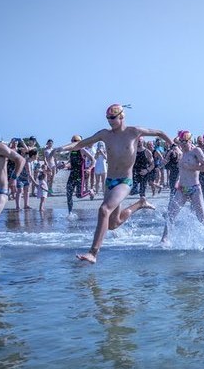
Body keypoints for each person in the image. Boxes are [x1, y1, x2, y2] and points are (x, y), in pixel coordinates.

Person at [54, 104, 172, 263]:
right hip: (110, 181)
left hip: (125, 181)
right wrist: (61, 149)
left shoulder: (134, 132)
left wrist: (174, 145)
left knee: (104, 210)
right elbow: (82, 144)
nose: (110, 121)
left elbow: (160, 133)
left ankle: (93, 253)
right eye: (108, 118)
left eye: (112, 118)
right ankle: (140, 204)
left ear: (122, 116)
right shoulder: (105, 134)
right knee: (113, 224)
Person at [161, 130, 204, 244]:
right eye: (181, 142)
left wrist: (191, 166)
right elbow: (182, 170)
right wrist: (178, 180)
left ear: (190, 141)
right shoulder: (180, 153)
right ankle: (164, 239)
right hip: (182, 189)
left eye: (185, 142)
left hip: (195, 188)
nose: (183, 144)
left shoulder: (196, 151)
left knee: (201, 217)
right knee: (170, 215)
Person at [63, 134, 95, 214]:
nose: (74, 142)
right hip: (72, 174)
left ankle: (90, 191)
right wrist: (64, 165)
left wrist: (89, 169)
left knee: (79, 195)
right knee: (69, 193)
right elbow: (70, 163)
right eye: (73, 141)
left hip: (81, 175)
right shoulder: (71, 151)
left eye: (76, 141)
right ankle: (70, 213)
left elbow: (93, 160)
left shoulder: (82, 150)